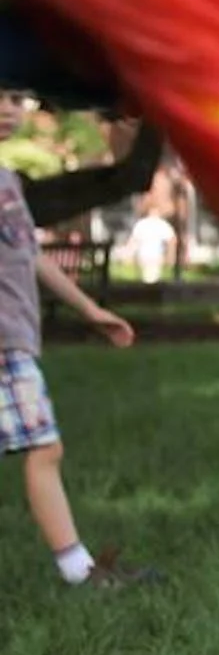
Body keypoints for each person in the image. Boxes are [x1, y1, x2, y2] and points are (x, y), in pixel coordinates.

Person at [0, 84, 155, 586]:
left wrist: (90, 309)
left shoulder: (7, 180)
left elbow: (33, 254)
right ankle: (80, 571)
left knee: (45, 448)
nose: (9, 109)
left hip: (14, 337)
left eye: (15, 98)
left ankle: (80, 570)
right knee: (45, 447)